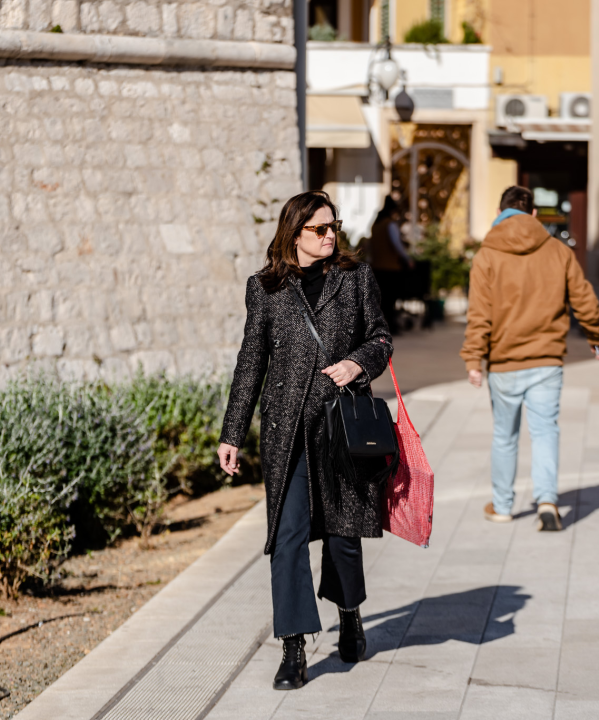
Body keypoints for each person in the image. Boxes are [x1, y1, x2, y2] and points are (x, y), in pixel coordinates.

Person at [217, 191, 393, 691]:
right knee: (288, 534)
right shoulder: (266, 288)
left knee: (342, 534)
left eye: (333, 226)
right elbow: (251, 363)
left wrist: (359, 362)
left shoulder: (356, 279)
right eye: (320, 229)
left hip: (342, 425)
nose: (331, 235)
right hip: (286, 430)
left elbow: (382, 337)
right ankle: (293, 646)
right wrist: (233, 433)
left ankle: (350, 612)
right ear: (295, 234)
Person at [460, 186, 599, 532]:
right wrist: (596, 333)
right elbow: (583, 296)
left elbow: (479, 312)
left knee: (504, 436)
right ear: (534, 215)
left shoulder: (487, 254)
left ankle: (502, 506)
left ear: (500, 212)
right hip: (547, 360)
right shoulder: (557, 250)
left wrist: (473, 359)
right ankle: (547, 502)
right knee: (544, 433)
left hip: (505, 362)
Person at [367, 195, 414, 334]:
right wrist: (407, 259)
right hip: (390, 268)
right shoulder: (390, 224)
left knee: (381, 300)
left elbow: (370, 246)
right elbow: (397, 245)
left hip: (376, 267)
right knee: (391, 299)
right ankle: (390, 326)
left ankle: (379, 327)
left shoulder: (375, 225)